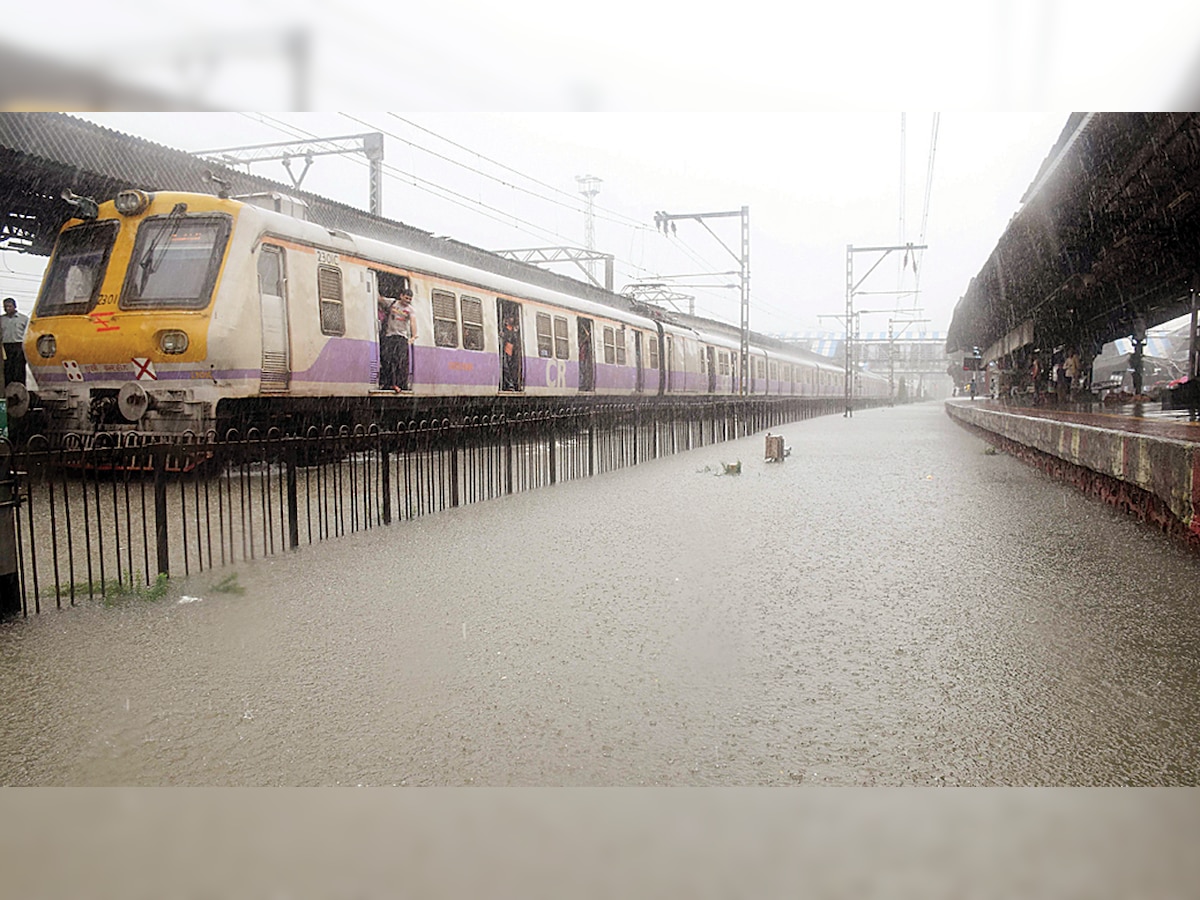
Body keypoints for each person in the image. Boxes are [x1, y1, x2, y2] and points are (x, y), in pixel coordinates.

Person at [379, 289, 417, 391]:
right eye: (406, 298)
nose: (408, 300)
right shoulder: (392, 303)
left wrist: (413, 336)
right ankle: (390, 383)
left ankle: (401, 384)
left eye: (410, 299)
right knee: (388, 360)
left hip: (402, 337)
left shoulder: (410, 309)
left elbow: (413, 322)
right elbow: (380, 299)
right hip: (390, 335)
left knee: (400, 362)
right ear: (401, 296)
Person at [1, 297, 29, 387]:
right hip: (5, 347)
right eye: (5, 307)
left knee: (19, 369)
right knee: (7, 370)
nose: (7, 309)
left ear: (14, 306)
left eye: (9, 306)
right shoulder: (1, 319)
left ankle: (21, 389)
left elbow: (28, 334)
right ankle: (8, 391)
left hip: (19, 346)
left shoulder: (23, 319)